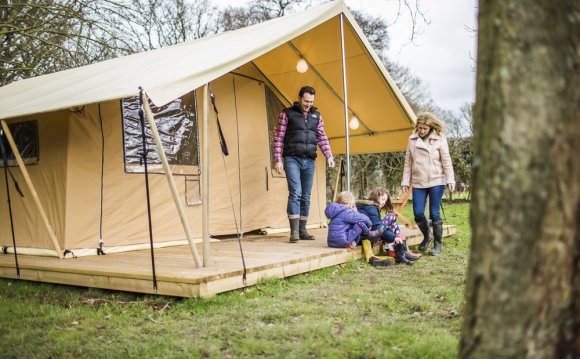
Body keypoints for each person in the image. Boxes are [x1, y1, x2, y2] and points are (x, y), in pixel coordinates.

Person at [273, 86, 335, 243]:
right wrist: (278, 159)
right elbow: (279, 137)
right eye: (306, 101)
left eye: (311, 101)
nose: (308, 104)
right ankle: (293, 232)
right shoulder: (287, 114)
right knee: (296, 192)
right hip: (292, 158)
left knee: (306, 196)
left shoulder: (317, 116)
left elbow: (322, 137)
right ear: (300, 98)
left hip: (309, 160)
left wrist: (329, 156)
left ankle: (302, 230)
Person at [401, 112, 455, 256]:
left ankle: (437, 245)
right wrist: (405, 182)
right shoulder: (412, 140)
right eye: (420, 128)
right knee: (418, 213)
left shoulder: (439, 138)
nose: (422, 131)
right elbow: (408, 163)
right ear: (417, 127)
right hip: (418, 181)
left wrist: (450, 179)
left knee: (434, 213)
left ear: (430, 127)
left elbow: (446, 160)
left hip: (437, 180)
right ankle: (427, 236)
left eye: (425, 128)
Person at [325, 191, 393, 267]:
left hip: (331, 242)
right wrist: (369, 224)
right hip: (343, 241)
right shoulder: (347, 211)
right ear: (350, 203)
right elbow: (362, 218)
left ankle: (354, 242)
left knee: (355, 227)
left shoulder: (335, 210)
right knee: (360, 225)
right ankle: (370, 234)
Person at [356, 187, 419, 265]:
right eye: (382, 199)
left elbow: (375, 224)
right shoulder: (371, 208)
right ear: (376, 197)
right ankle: (401, 251)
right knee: (391, 217)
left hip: (367, 233)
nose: (384, 202)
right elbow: (377, 228)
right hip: (370, 235)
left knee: (391, 225)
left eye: (385, 200)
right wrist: (394, 237)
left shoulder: (368, 205)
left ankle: (401, 252)